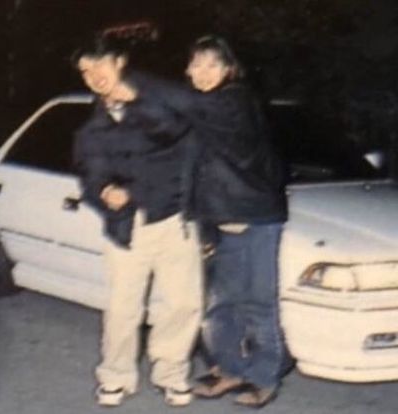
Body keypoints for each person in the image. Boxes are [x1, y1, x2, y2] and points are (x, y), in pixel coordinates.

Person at [71, 33, 202, 408]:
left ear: (120, 61)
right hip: (128, 226)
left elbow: (177, 130)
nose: (94, 75)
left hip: (174, 218)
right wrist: (105, 192)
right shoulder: (92, 129)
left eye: (100, 64)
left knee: (182, 303)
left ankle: (172, 374)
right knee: (123, 307)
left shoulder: (159, 100)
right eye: (85, 71)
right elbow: (90, 175)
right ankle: (115, 377)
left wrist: (138, 100)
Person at [162, 35, 289, 408]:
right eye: (196, 64)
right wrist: (201, 223)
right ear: (188, 68)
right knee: (221, 303)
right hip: (222, 216)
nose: (203, 73)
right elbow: (193, 170)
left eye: (212, 65)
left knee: (258, 301)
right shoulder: (201, 109)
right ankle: (229, 369)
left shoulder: (234, 102)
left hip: (255, 213)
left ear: (229, 69)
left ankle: (263, 377)